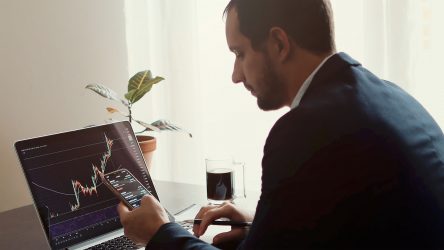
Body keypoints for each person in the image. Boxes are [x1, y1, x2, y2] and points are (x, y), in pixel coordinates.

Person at [118, 0, 444, 249]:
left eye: (240, 53)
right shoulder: (391, 97)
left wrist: (161, 233)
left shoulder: (306, 129)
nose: (235, 75)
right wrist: (263, 223)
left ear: (278, 44)